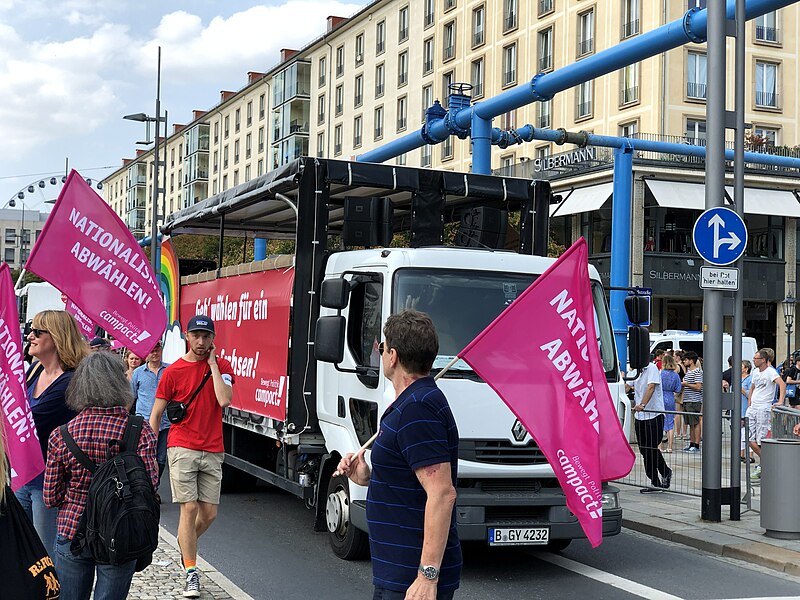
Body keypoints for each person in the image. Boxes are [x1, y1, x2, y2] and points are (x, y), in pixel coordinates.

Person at [336, 310, 461, 600]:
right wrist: (366, 476)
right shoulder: (411, 403)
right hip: (396, 569)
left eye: (381, 347)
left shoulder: (418, 409)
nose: (380, 354)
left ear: (392, 355)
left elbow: (442, 493)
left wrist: (427, 576)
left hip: (411, 576)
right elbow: (408, 476)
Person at [43, 351, 158, 600]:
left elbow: (51, 497)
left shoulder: (61, 435)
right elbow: (150, 484)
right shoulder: (139, 431)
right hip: (120, 530)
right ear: (121, 383)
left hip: (73, 529)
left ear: (80, 386)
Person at [149, 316, 234, 598]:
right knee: (189, 509)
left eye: (206, 336)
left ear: (213, 339)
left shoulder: (222, 367)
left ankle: (186, 546)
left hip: (212, 447)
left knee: (209, 513)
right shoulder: (173, 372)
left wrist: (211, 365)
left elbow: (224, 400)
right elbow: (156, 414)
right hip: (181, 445)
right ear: (187, 335)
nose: (201, 342)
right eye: (196, 336)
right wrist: (149, 448)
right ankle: (191, 572)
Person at [16, 310, 88, 554]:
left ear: (56, 337)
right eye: (29, 330)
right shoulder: (34, 371)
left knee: (46, 553)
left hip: (50, 482)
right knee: (23, 551)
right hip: (24, 476)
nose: (30, 337)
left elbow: (28, 422)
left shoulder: (69, 382)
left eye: (37, 332)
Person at [627, 361, 671, 491]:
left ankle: (664, 472)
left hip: (653, 414)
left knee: (651, 448)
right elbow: (628, 385)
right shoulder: (635, 370)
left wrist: (642, 404)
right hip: (640, 416)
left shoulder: (651, 368)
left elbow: (651, 386)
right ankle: (654, 480)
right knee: (644, 449)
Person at [131, 341, 170, 476]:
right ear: (146, 353)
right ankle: (146, 487)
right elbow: (132, 397)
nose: (154, 353)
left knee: (161, 458)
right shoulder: (138, 373)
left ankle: (155, 487)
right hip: (144, 423)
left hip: (165, 423)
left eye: (157, 350)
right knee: (144, 456)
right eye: (152, 350)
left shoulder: (169, 370)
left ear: (161, 351)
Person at [748, 348, 785, 480]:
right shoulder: (755, 372)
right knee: (748, 438)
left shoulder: (770, 372)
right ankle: (767, 463)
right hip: (754, 407)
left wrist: (780, 401)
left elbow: (782, 384)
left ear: (763, 360)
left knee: (760, 439)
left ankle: (765, 464)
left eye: (756, 358)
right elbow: (752, 387)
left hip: (763, 407)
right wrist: (750, 402)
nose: (754, 360)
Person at [681, 351, 703, 453]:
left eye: (685, 360)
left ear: (691, 361)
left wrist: (686, 384)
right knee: (691, 423)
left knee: (695, 423)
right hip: (687, 400)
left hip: (694, 400)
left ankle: (696, 444)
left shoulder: (697, 372)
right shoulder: (689, 372)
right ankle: (692, 443)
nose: (684, 362)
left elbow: (698, 387)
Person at [660, 354, 682, 453]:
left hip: (661, 397)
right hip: (670, 397)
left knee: (660, 421)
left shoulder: (660, 373)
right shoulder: (675, 375)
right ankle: (670, 447)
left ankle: (660, 446)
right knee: (670, 422)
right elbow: (678, 389)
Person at [740, 360, 754, 463]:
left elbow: (751, 393)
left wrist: (743, 390)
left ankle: (750, 455)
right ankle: (741, 454)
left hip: (746, 409)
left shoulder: (750, 379)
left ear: (746, 368)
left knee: (747, 432)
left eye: (741, 366)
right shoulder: (737, 378)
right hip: (738, 409)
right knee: (739, 433)